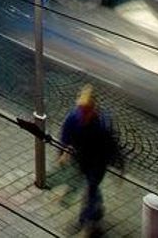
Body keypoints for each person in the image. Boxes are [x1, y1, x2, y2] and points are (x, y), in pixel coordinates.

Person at [58, 85, 121, 230]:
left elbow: (111, 146)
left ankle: (85, 219)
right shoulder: (73, 118)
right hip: (82, 160)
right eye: (82, 110)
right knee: (91, 187)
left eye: (87, 111)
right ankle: (96, 211)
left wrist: (117, 167)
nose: (83, 114)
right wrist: (63, 153)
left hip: (98, 163)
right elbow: (65, 137)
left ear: (93, 109)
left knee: (91, 187)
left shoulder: (102, 123)